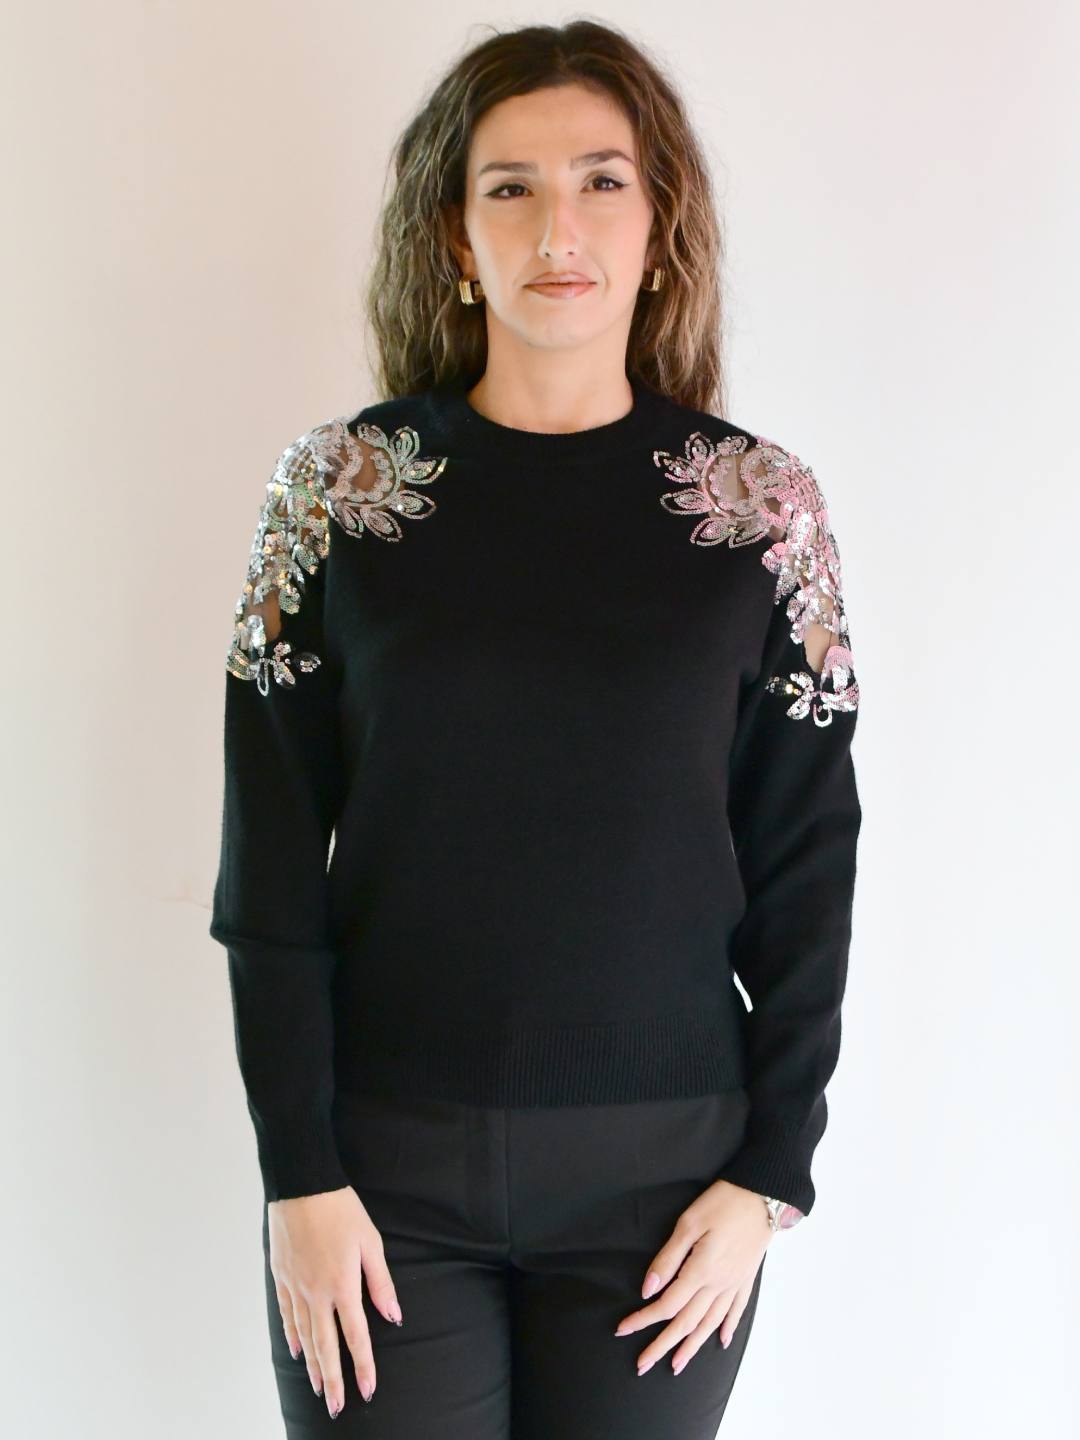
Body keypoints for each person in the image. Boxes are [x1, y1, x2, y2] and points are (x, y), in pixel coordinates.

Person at [209, 18, 863, 1437]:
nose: (557, 228)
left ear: (659, 223)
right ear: (455, 233)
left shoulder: (759, 511)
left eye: (600, 181)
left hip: (666, 1195)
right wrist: (298, 1176)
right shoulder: (339, 494)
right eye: (509, 187)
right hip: (379, 1182)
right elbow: (270, 870)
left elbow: (808, 868)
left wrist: (770, 1177)